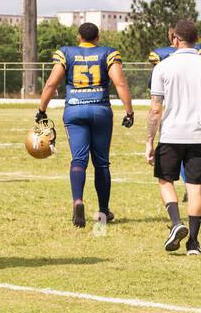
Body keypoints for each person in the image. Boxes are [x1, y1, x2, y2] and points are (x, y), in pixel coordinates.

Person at [36, 23, 135, 227]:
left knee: (78, 160)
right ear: (98, 37)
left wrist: (42, 109)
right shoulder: (107, 53)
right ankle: (103, 211)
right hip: (100, 110)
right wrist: (129, 111)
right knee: (101, 163)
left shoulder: (66, 53)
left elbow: (51, 84)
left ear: (78, 37)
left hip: (74, 110)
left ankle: (78, 201)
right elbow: (120, 83)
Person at [147, 19, 201, 255]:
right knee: (194, 187)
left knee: (165, 181)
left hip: (171, 134)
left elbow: (155, 110)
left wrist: (149, 141)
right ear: (196, 39)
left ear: (175, 39)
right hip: (199, 136)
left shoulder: (162, 67)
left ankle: (176, 222)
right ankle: (193, 243)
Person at [149, 27, 201, 202]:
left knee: (177, 150)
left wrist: (149, 140)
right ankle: (193, 186)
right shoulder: (200, 56)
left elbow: (156, 100)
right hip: (199, 111)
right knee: (192, 148)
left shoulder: (162, 59)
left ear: (174, 38)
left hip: (173, 114)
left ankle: (186, 192)